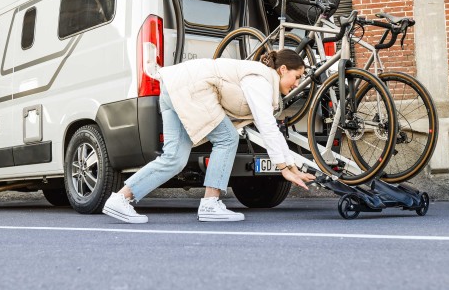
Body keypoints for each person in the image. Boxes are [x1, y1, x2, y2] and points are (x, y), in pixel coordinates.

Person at [102, 49, 315, 223]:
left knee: (173, 159)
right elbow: (267, 125)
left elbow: (271, 129)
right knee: (228, 138)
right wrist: (283, 168)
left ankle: (120, 198)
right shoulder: (261, 78)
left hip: (174, 88)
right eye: (296, 77)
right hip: (191, 89)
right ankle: (210, 204)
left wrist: (292, 167)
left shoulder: (262, 79)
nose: (297, 84)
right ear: (283, 69)